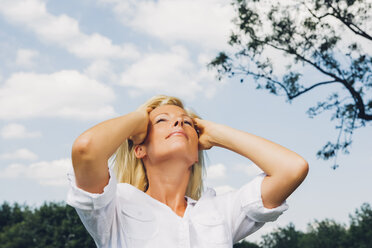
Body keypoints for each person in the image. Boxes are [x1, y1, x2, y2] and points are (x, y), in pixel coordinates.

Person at [66, 95, 309, 247]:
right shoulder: (115, 208)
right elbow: (86, 150)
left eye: (188, 122)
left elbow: (292, 169)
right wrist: (141, 118)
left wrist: (216, 133)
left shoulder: (219, 211)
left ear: (197, 152)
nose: (179, 123)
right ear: (139, 149)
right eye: (162, 121)